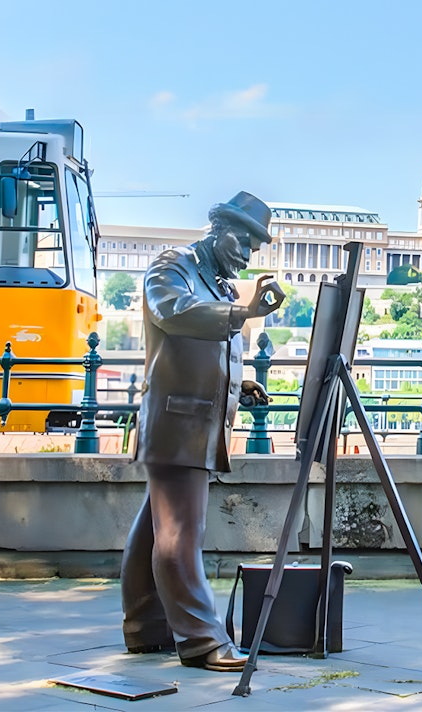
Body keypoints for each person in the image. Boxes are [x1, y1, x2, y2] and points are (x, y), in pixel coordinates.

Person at [120, 191, 285, 672]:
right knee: (179, 534)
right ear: (222, 230)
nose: (249, 254)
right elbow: (176, 315)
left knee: (155, 528)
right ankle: (201, 641)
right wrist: (244, 313)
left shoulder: (219, 282)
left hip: (195, 420)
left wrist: (239, 385)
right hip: (177, 422)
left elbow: (206, 350)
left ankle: (145, 625)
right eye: (246, 242)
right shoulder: (172, 267)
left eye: (256, 247)